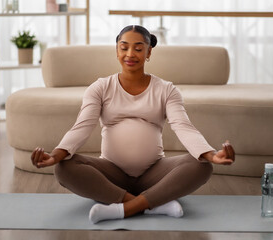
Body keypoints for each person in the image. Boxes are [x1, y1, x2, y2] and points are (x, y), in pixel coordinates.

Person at [31, 25, 235, 224]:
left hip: (154, 173)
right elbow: (82, 127)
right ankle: (153, 204)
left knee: (202, 166)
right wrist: (55, 155)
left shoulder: (166, 89)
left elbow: (183, 126)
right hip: (111, 174)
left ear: (149, 52)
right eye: (124, 47)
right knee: (64, 167)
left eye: (138, 48)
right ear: (116, 50)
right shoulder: (100, 87)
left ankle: (124, 208)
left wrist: (211, 154)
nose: (130, 54)